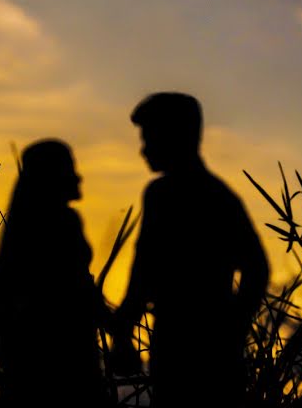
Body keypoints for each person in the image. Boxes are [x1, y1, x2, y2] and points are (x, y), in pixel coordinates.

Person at [111, 92, 269, 407]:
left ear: (175, 136)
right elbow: (257, 268)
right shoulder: (216, 195)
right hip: (183, 341)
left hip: (187, 342)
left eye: (149, 138)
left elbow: (143, 272)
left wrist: (231, 327)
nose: (143, 149)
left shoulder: (170, 195)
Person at [0, 140, 112, 407]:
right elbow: (78, 286)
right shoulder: (61, 222)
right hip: (64, 346)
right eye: (70, 168)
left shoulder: (27, 226)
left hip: (36, 346)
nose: (78, 177)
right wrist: (116, 327)